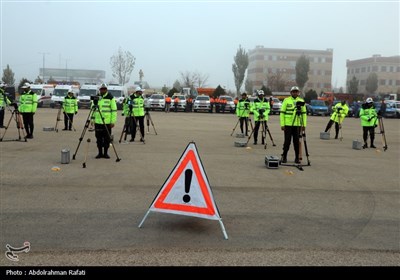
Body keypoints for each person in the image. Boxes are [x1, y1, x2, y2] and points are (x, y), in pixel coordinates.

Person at [280, 86, 307, 163]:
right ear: (291, 92)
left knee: (296, 142)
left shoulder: (301, 101)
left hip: (297, 125)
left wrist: (304, 125)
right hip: (288, 125)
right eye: (293, 92)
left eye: (296, 92)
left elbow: (304, 114)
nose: (295, 93)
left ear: (298, 93)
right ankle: (284, 156)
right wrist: (282, 124)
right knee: (287, 142)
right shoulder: (286, 100)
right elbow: (282, 113)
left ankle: (297, 157)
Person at [91, 83, 117, 159]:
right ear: (100, 90)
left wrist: (113, 121)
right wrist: (92, 120)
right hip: (98, 122)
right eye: (101, 89)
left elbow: (114, 110)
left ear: (106, 90)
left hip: (107, 122)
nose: (103, 90)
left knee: (107, 138)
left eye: (104, 89)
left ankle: (105, 153)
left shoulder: (110, 98)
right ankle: (100, 153)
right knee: (98, 138)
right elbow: (92, 109)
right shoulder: (96, 97)